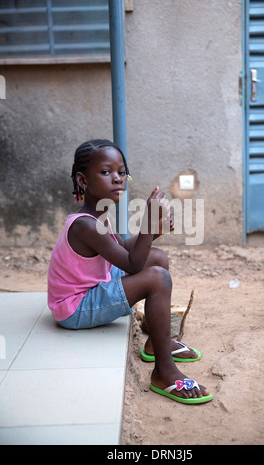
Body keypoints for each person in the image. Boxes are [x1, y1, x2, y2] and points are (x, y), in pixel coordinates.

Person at [48, 139, 213, 404]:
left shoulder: (99, 215)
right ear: (82, 180)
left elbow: (123, 251)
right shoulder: (84, 225)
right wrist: (147, 221)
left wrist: (154, 232)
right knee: (157, 277)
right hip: (75, 307)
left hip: (92, 286)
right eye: (106, 172)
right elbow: (133, 265)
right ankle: (164, 371)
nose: (117, 179)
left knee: (157, 258)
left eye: (121, 172)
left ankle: (155, 344)